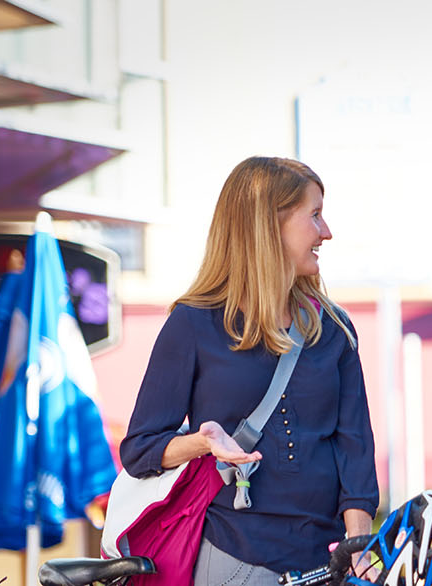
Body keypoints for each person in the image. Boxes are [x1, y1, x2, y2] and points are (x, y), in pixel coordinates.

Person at [119, 156, 378, 584]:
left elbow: (355, 450)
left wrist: (359, 547)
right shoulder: (193, 323)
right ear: (269, 224)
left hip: (325, 563)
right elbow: (140, 449)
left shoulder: (334, 330)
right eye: (314, 216)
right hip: (232, 555)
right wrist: (201, 443)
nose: (326, 231)